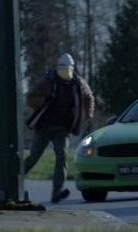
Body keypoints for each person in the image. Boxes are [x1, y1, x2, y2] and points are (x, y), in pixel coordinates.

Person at [24, 53, 95, 203]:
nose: (65, 73)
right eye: (62, 69)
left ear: (72, 69)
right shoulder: (48, 81)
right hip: (44, 126)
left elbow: (89, 97)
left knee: (61, 156)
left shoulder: (79, 83)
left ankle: (57, 190)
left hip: (62, 128)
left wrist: (89, 113)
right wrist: (42, 101)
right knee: (34, 157)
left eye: (67, 69)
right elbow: (30, 97)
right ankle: (14, 181)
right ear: (57, 68)